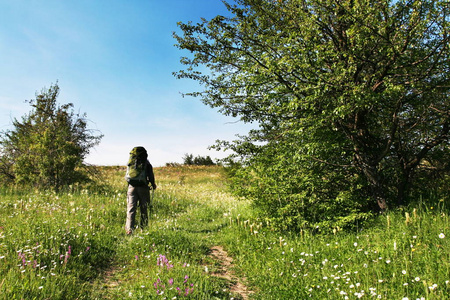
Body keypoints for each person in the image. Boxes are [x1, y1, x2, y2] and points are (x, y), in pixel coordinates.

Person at [125, 146, 157, 235]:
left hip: (131, 187)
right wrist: (153, 184)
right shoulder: (146, 163)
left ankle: (129, 229)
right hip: (143, 187)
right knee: (144, 208)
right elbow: (151, 176)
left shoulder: (131, 162)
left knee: (131, 208)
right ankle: (144, 228)